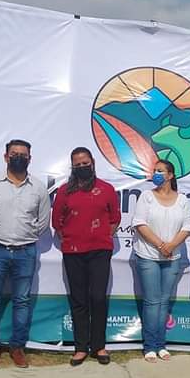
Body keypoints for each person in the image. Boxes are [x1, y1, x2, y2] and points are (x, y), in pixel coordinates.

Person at [0, 139, 50, 370]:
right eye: (14, 154)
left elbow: (43, 222)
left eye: (23, 155)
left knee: (22, 301)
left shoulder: (38, 188)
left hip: (26, 251)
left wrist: (26, 234)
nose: (19, 157)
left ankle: (17, 347)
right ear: (6, 157)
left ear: (30, 159)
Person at [52, 147, 121, 366]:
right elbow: (57, 221)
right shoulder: (64, 191)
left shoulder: (107, 189)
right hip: (73, 252)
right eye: (78, 164)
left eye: (85, 163)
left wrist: (101, 236)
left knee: (98, 298)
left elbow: (115, 218)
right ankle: (81, 347)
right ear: (72, 167)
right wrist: (72, 238)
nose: (82, 167)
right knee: (79, 299)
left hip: (100, 251)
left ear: (93, 163)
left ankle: (99, 346)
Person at [132, 160, 190, 363]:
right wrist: (160, 245)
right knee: (152, 302)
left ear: (170, 175)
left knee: (164, 301)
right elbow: (140, 223)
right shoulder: (146, 197)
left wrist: (171, 246)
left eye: (160, 171)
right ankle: (150, 346)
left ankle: (161, 344)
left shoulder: (183, 200)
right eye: (154, 171)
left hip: (172, 257)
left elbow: (187, 227)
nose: (155, 174)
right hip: (148, 256)